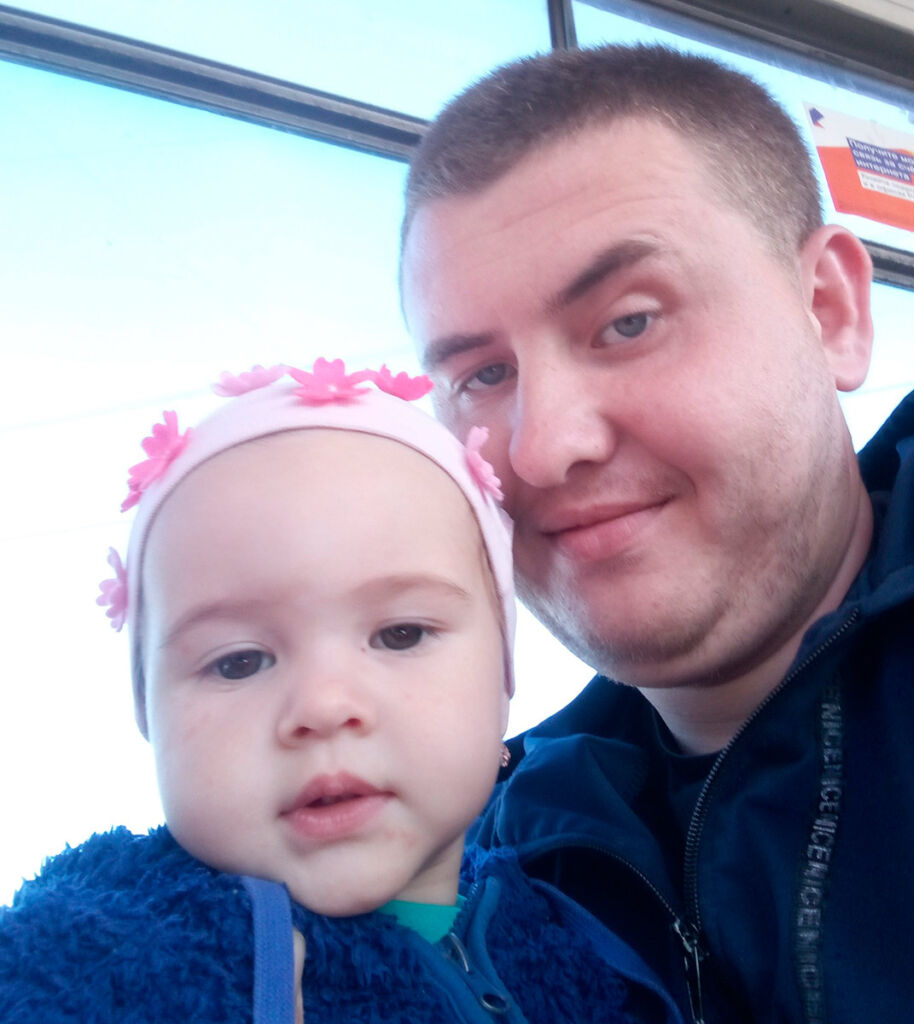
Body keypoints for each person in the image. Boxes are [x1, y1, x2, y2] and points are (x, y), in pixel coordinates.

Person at [399, 44, 914, 1024]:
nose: (545, 447)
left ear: (828, 312)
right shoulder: (486, 868)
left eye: (629, 323)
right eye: (481, 376)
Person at [0, 358, 681, 1023]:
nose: (324, 707)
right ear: (147, 712)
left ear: (502, 671)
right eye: (238, 663)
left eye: (400, 635)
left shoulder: (584, 944)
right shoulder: (105, 958)